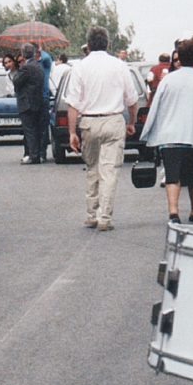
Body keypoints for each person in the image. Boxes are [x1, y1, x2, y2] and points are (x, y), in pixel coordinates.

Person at [64, 26, 137, 231]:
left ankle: (91, 214)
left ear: (87, 45)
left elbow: (73, 104)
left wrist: (72, 132)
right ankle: (105, 216)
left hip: (88, 122)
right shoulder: (119, 65)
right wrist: (131, 122)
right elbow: (131, 100)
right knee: (109, 170)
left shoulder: (80, 67)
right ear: (108, 44)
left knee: (92, 168)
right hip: (113, 120)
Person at [139, 38, 193, 222]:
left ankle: (173, 212)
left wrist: (148, 135)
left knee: (172, 174)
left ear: (180, 59)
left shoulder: (168, 81)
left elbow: (156, 107)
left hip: (170, 135)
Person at [13, 43, 46, 164]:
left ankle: (33, 155)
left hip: (27, 103)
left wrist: (17, 71)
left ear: (23, 54)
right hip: (37, 102)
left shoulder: (26, 68)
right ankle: (36, 153)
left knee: (29, 130)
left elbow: (16, 81)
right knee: (35, 130)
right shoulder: (38, 66)